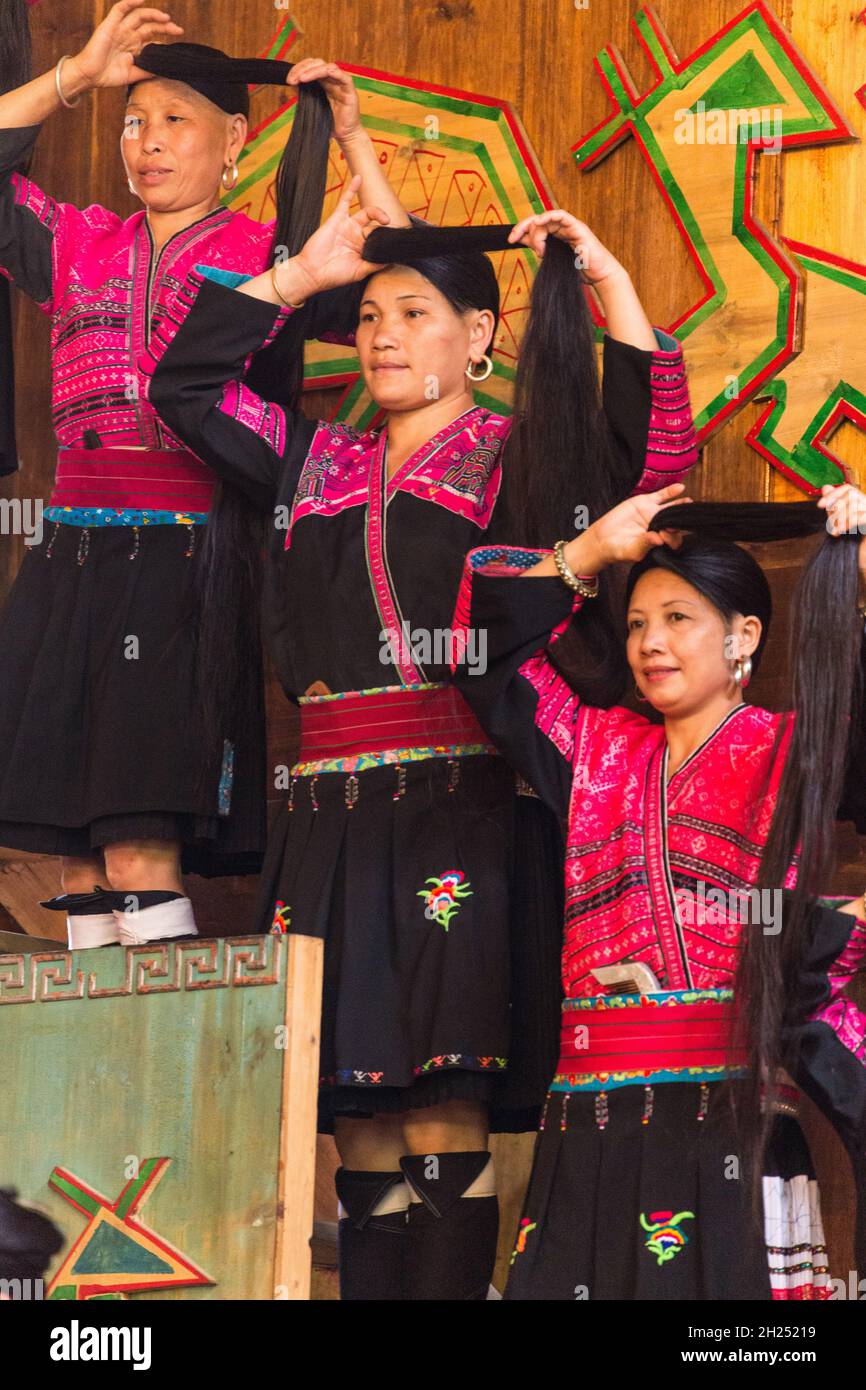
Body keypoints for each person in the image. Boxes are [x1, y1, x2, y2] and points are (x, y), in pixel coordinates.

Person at [141, 181, 699, 1299]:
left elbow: (648, 462)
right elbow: (185, 386)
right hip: (328, 816)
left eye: (411, 314)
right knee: (355, 1115)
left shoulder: (518, 460)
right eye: (369, 315)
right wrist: (301, 277)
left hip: (461, 807)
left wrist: (613, 290)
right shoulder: (311, 459)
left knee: (441, 1099)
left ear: (479, 336)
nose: (381, 335)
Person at [0, 2, 407, 948]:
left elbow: (406, 272)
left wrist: (353, 137)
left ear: (236, 142)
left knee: (140, 850)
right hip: (67, 562)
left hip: (185, 561)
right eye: (134, 122)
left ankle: (165, 1073)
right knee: (75, 858)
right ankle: (100, 1089)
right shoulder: (81, 243)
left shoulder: (273, 255)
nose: (147, 143)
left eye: (176, 120)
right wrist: (78, 74)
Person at [452, 481, 866, 1299]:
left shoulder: (797, 750)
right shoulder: (592, 748)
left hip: (727, 1124)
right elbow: (478, 653)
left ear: (744, 636)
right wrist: (588, 555)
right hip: (590, 1121)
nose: (651, 642)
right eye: (638, 623)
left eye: (679, 619)